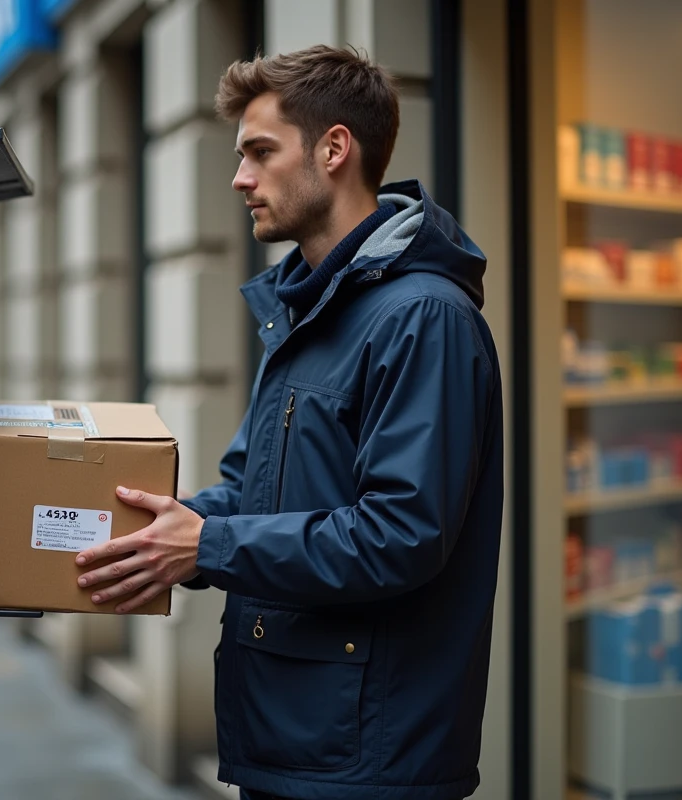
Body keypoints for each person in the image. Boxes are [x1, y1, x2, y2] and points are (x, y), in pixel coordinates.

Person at [74, 45, 503, 800]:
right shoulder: (308, 306)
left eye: (259, 152)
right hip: (294, 741)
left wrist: (207, 544)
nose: (240, 178)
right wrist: (152, 535)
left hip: (367, 760)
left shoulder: (423, 318)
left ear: (335, 148)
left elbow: (400, 536)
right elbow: (253, 488)